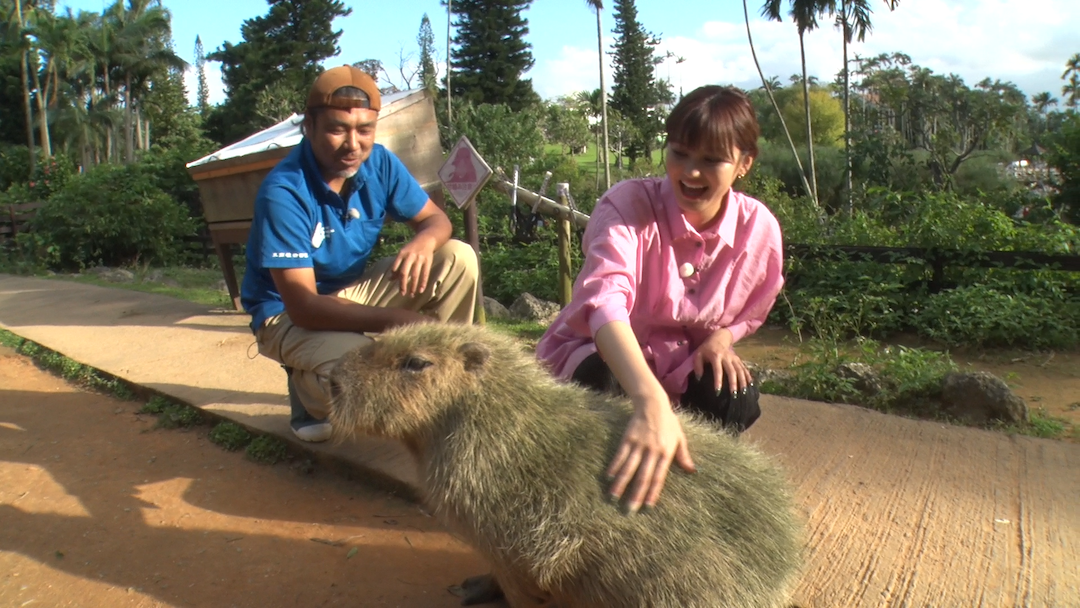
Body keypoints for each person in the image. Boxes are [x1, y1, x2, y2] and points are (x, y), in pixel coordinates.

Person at [536, 85, 784, 513]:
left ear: (744, 163)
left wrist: (721, 339)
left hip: (683, 361)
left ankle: (682, 489)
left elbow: (754, 305)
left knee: (733, 395)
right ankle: (580, 501)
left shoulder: (758, 228)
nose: (690, 172)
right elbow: (604, 303)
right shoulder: (627, 205)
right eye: (679, 153)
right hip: (604, 350)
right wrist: (649, 400)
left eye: (711, 160)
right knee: (605, 384)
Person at [240, 65, 478, 443]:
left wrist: (423, 241)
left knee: (456, 256)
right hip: (286, 313)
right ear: (309, 128)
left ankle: (449, 381)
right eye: (337, 129)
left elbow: (437, 221)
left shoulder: (379, 163)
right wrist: (400, 323)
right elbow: (302, 306)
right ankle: (305, 388)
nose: (353, 144)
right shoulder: (284, 192)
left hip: (350, 293)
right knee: (370, 376)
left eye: (364, 130)